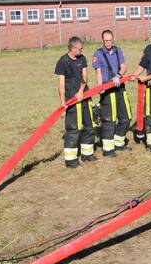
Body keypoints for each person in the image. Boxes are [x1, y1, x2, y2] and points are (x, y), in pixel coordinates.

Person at [55, 36, 97, 168]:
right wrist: (63, 101)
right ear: (72, 49)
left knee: (90, 126)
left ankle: (87, 154)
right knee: (74, 129)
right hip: (71, 100)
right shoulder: (62, 62)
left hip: (84, 96)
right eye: (80, 49)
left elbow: (85, 76)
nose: (81, 51)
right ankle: (71, 160)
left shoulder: (82, 58)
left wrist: (81, 91)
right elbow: (61, 83)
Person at [93, 29, 132, 156]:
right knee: (109, 120)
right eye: (106, 41)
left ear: (113, 39)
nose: (108, 43)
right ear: (102, 40)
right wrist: (100, 88)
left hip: (119, 87)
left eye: (110, 40)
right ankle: (108, 149)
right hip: (107, 91)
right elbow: (98, 73)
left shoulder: (118, 51)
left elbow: (124, 66)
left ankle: (119, 144)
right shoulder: (97, 54)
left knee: (126, 117)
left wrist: (119, 75)